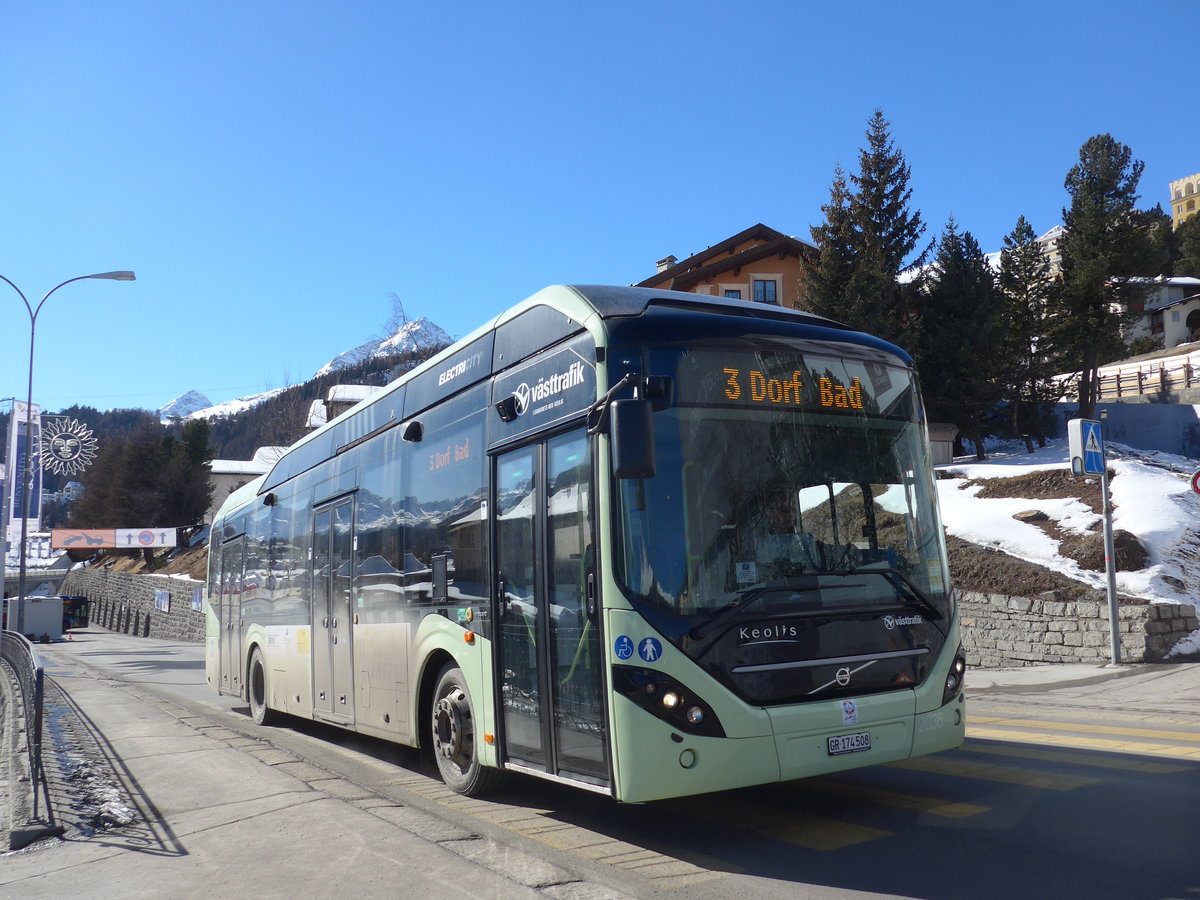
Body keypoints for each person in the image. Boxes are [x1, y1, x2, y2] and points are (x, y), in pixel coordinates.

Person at [757, 489, 820, 575]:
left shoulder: (806, 541)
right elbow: (764, 576)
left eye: (793, 510)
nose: (790, 515)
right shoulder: (762, 546)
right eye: (784, 511)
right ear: (770, 513)